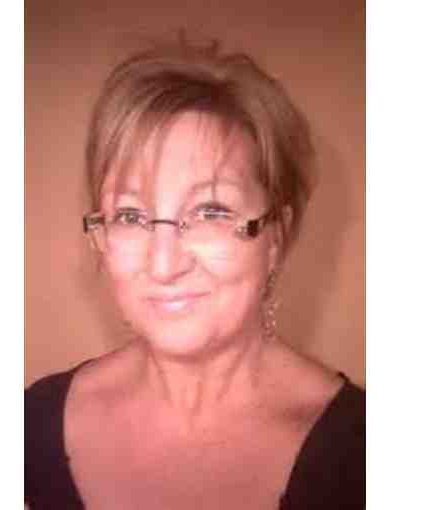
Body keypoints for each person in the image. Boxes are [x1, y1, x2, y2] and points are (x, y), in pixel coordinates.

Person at [25, 37, 365, 510]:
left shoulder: (360, 459)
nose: (163, 266)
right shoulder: (33, 426)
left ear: (276, 236)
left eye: (210, 212)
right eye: (130, 216)